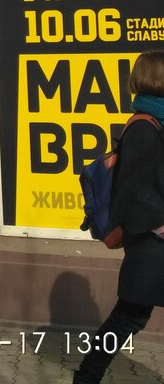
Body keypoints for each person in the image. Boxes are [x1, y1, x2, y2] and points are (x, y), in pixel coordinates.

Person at [73, 50, 164, 383]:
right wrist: (160, 226)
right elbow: (135, 193)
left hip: (154, 242)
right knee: (128, 317)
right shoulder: (144, 127)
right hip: (152, 243)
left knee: (129, 316)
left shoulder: (158, 122)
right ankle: (86, 377)